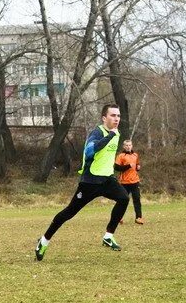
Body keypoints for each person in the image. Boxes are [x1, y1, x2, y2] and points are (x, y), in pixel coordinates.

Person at [34, 104, 129, 260]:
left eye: (118, 116)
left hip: (107, 179)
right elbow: (90, 151)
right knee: (69, 212)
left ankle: (108, 236)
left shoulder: (116, 133)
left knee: (124, 198)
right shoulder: (98, 133)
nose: (116, 118)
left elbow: (106, 157)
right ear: (104, 118)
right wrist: (110, 136)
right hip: (90, 181)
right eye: (113, 115)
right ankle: (43, 241)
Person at [115, 138, 144, 225]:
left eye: (129, 145)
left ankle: (138, 218)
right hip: (124, 182)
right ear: (124, 146)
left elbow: (137, 165)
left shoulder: (135, 155)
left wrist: (138, 167)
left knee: (137, 199)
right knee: (122, 200)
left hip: (135, 181)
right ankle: (118, 218)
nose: (128, 147)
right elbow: (116, 168)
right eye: (126, 145)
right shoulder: (121, 156)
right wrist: (128, 166)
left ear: (132, 146)